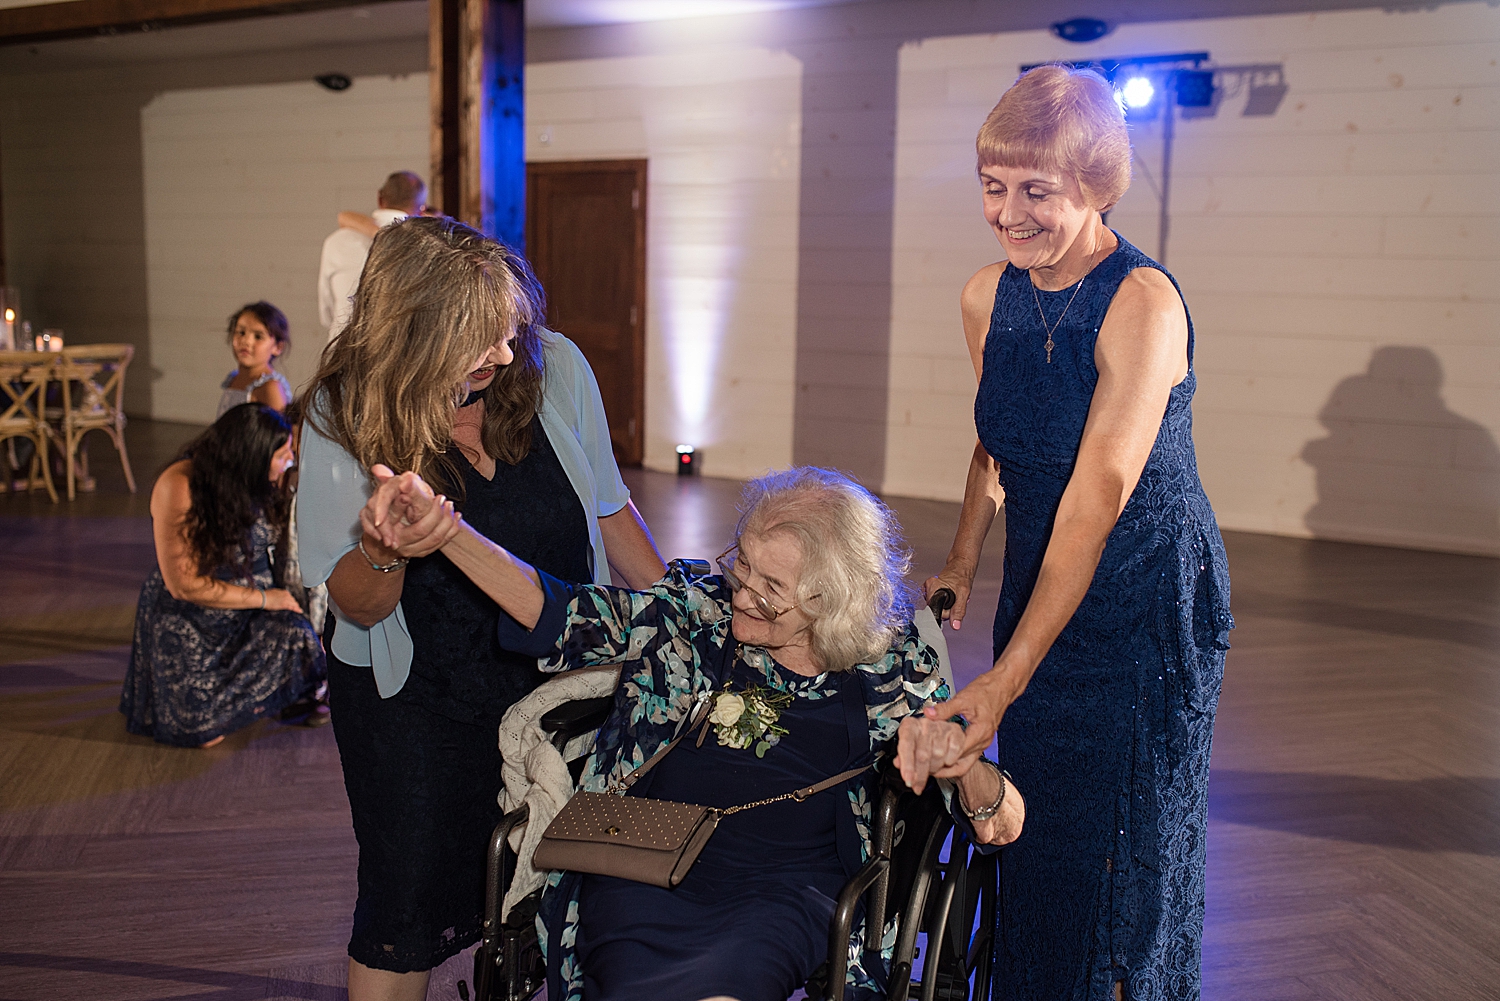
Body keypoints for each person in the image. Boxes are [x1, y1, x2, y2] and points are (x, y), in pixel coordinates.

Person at [363, 464, 1025, 1001]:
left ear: (835, 602)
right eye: (744, 568)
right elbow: (558, 612)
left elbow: (1004, 820)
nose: (742, 594)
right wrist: (446, 533)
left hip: (785, 890)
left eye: (772, 588)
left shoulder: (890, 668)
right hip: (645, 860)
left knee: (731, 975)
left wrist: (961, 764)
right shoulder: (693, 610)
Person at [919, 65, 1234, 1001]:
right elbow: (997, 438)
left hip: (1143, 593)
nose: (1006, 213)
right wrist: (964, 558)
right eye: (992, 186)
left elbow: (1097, 495)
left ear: (1099, 187)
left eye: (1036, 192)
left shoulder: (1143, 304)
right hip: (1043, 571)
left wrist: (1005, 676)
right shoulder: (988, 294)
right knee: (1040, 821)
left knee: (1121, 837)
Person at [295, 215, 667, 1001]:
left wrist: (679, 621)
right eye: (480, 337)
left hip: (556, 681)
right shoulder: (342, 411)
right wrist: (386, 548)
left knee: (553, 879)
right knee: (406, 902)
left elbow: (610, 511)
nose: (504, 352)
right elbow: (356, 606)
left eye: (508, 329)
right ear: (416, 334)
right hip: (415, 702)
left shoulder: (554, 366)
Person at [120, 403, 324, 748]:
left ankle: (278, 696)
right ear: (251, 457)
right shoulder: (180, 485)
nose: (289, 460)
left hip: (248, 613)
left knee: (298, 636)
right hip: (191, 615)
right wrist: (265, 598)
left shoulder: (261, 479)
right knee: (202, 735)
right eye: (282, 454)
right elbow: (182, 585)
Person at [317, 171, 426, 342]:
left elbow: (327, 313)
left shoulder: (336, 241)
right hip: (395, 356)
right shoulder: (424, 249)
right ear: (422, 210)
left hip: (340, 352)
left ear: (380, 198)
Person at [216, 302, 292, 418]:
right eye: (241, 333)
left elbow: (279, 434)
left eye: (258, 337)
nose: (246, 341)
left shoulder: (271, 387)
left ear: (277, 347)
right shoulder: (234, 378)